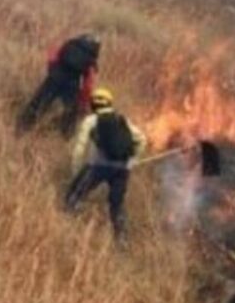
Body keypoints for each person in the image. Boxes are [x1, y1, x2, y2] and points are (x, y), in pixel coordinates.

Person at [64, 87, 147, 238]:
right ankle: (122, 239)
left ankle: (67, 226)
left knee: (74, 196)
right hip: (122, 169)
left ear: (93, 104)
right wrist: (133, 161)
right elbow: (142, 139)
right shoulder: (122, 120)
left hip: (98, 166)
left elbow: (79, 149)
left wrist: (76, 172)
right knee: (117, 204)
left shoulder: (91, 120)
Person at [17, 33, 100, 137]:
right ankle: (65, 137)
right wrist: (83, 102)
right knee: (70, 113)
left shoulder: (70, 44)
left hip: (55, 76)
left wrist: (52, 70)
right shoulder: (91, 59)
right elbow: (88, 85)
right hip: (72, 85)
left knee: (39, 103)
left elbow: (53, 56)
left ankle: (22, 128)